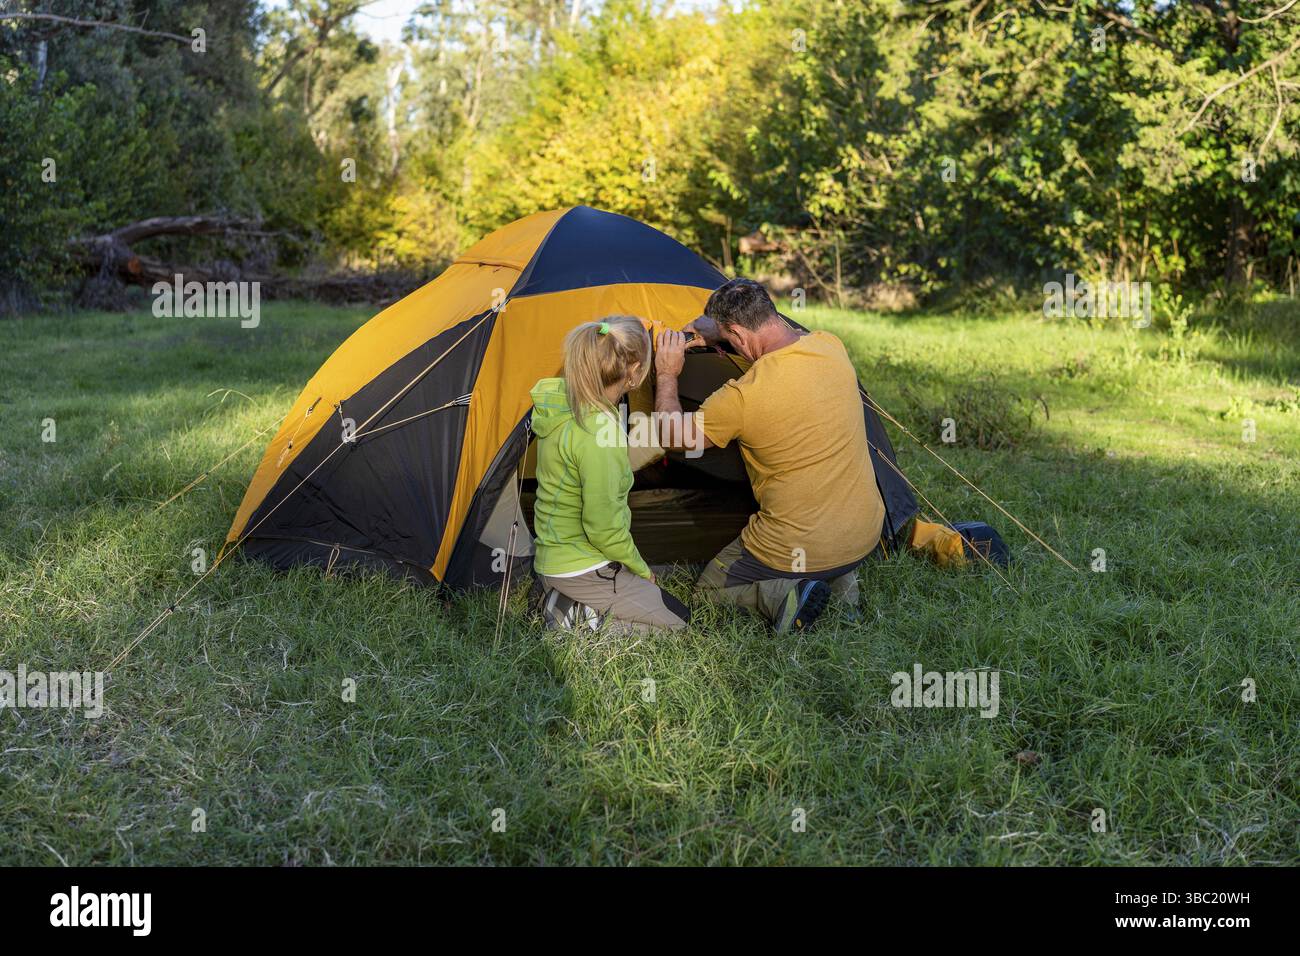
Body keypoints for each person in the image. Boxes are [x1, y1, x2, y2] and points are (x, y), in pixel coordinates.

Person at [653, 278, 884, 633]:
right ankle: (841, 583)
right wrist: (720, 332)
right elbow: (772, 341)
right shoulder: (829, 345)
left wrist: (667, 373)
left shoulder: (743, 397)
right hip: (866, 533)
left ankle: (786, 594)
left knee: (708, 592)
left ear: (739, 335)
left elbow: (671, 436)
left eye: (732, 341)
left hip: (797, 545)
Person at [531, 315, 690, 634]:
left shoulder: (565, 404)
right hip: (581, 566)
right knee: (677, 622)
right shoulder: (600, 432)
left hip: (554, 556)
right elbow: (602, 527)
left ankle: (568, 601)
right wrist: (641, 569)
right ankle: (574, 617)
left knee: (667, 606)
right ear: (633, 372)